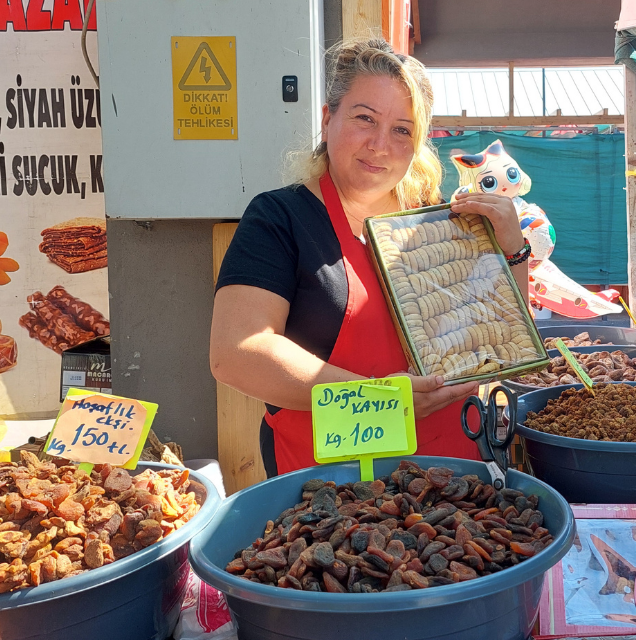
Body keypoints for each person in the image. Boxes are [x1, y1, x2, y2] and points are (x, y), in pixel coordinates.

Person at [209, 39, 532, 477]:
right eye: (365, 118)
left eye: (402, 129)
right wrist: (381, 399)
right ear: (328, 120)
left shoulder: (439, 221)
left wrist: (513, 248)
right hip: (330, 496)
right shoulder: (281, 218)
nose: (380, 144)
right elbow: (236, 352)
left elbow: (501, 336)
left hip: (450, 481)